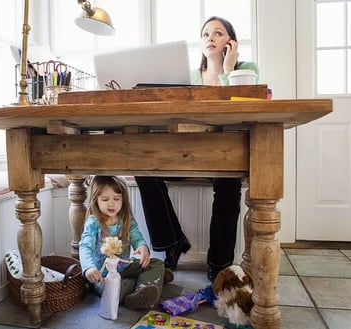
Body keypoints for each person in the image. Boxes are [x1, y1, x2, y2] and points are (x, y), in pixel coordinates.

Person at [135, 16, 259, 282]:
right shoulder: (188, 77)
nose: (210, 38)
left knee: (229, 183)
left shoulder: (246, 69)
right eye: (205, 34)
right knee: (143, 170)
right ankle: (172, 242)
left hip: (223, 155)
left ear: (231, 41)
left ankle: (219, 263)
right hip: (187, 152)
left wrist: (226, 71)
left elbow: (245, 110)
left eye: (218, 33)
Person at [79, 175, 166, 311]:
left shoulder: (126, 219)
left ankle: (143, 286)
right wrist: (89, 267)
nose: (111, 203)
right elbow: (85, 246)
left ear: (123, 200)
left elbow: (137, 237)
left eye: (116, 199)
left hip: (124, 267)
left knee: (157, 263)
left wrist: (142, 247)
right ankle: (144, 284)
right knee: (113, 292)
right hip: (102, 276)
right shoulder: (93, 222)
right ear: (96, 200)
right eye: (105, 199)